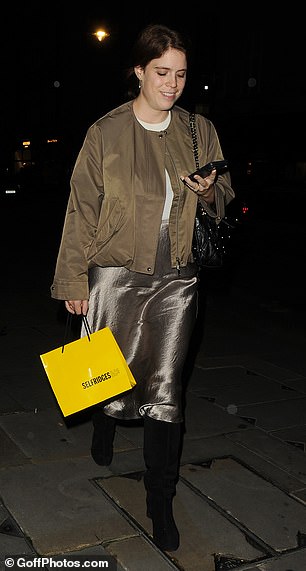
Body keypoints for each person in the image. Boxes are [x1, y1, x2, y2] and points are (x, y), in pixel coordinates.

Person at [50, 23, 235, 552]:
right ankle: (103, 427)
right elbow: (81, 211)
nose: (172, 84)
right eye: (161, 73)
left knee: (165, 393)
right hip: (113, 275)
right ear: (138, 71)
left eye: (180, 74)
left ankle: (160, 499)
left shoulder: (200, 130)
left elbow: (225, 199)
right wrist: (71, 279)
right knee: (104, 376)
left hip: (177, 280)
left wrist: (210, 191)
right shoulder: (104, 133)